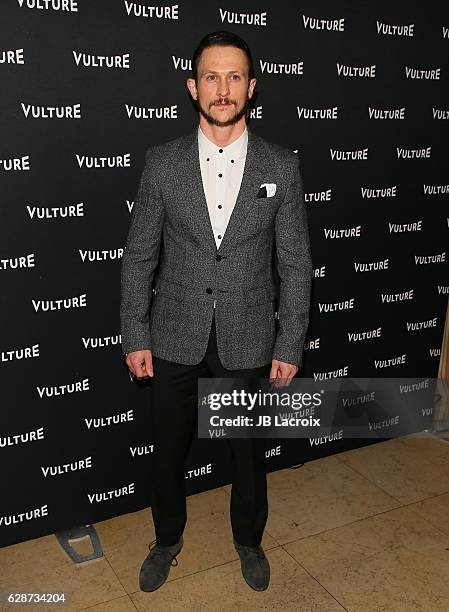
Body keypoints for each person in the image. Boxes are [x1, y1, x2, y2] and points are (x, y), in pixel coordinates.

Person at [120, 30, 312, 593]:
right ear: (192, 87)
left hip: (248, 337)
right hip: (173, 335)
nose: (222, 88)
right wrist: (136, 334)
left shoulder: (282, 166)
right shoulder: (162, 164)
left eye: (233, 77)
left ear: (251, 87)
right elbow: (138, 259)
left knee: (247, 460)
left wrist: (288, 344)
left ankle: (249, 542)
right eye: (211, 76)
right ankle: (167, 540)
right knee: (167, 457)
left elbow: (296, 265)